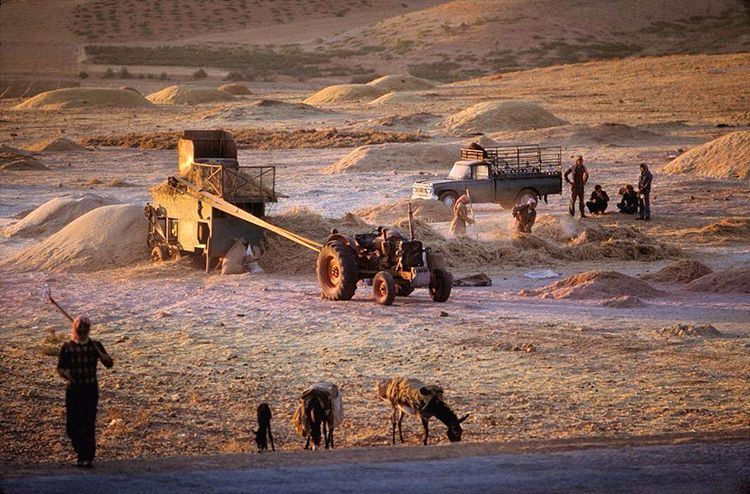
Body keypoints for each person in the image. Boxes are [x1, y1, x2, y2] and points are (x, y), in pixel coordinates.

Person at [57, 315, 113, 468]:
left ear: (88, 330)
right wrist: (65, 374)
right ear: (74, 329)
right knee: (72, 426)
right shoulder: (66, 347)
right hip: (73, 390)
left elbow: (109, 364)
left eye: (84, 329)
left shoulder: (95, 345)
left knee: (88, 423)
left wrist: (104, 357)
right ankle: (81, 453)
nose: (81, 332)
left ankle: (86, 457)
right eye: (79, 329)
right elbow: (60, 367)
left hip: (89, 389)